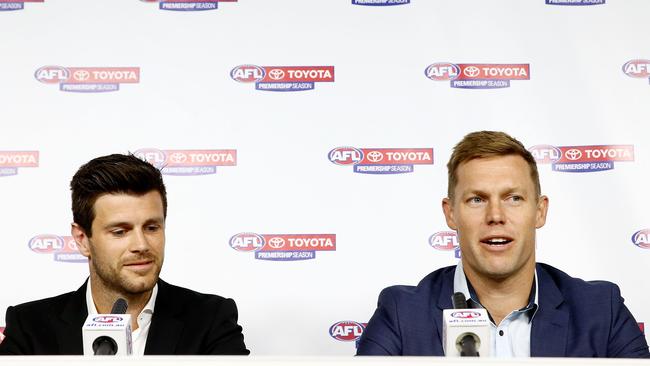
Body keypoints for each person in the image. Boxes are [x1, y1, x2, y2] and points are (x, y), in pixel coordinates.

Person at [356, 131, 649, 357]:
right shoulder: (402, 313)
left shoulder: (601, 310)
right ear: (450, 213)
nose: (495, 215)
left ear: (539, 211)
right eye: (477, 199)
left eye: (513, 198)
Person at [0, 154, 250, 355]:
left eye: (152, 227)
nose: (141, 244)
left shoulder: (210, 319)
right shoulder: (30, 326)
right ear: (82, 240)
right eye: (120, 231)